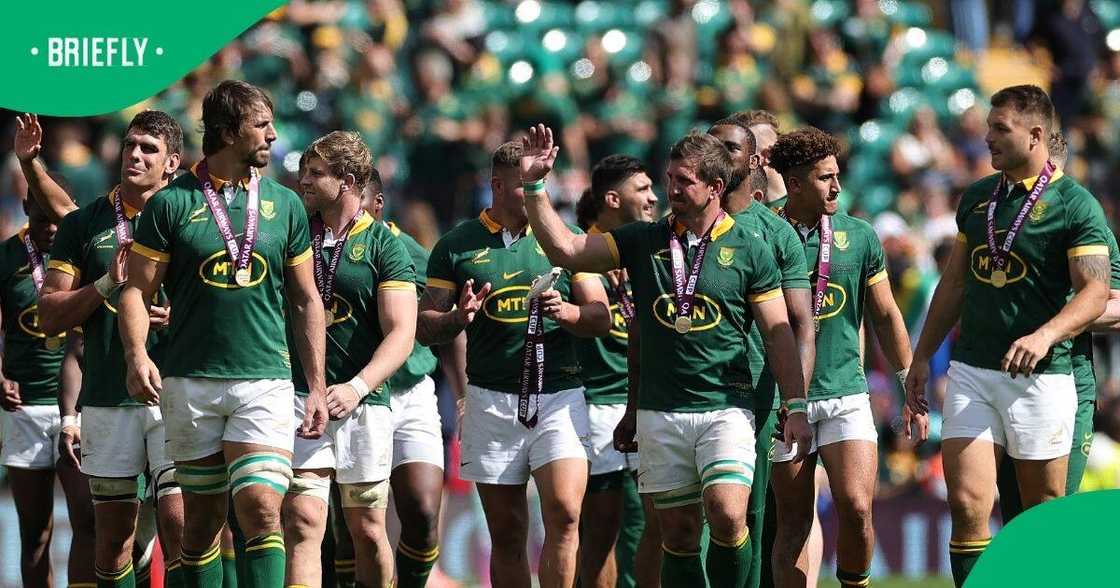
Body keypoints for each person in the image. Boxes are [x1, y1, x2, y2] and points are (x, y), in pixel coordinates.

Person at [522, 125, 812, 587]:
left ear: (715, 188)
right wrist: (535, 186)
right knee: (677, 534)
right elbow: (568, 248)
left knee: (728, 514)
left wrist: (794, 404)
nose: (671, 190)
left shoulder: (751, 249)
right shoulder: (644, 240)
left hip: (726, 407)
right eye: (670, 178)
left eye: (684, 181)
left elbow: (779, 334)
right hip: (661, 410)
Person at [119, 80, 329, 587]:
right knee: (201, 527)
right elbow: (134, 293)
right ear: (229, 131)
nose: (274, 136)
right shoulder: (171, 205)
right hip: (190, 380)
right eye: (262, 125)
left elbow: (305, 300)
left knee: (260, 508)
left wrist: (317, 384)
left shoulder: (286, 205)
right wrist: (136, 355)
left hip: (264, 378)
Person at [905, 85, 1112, 588]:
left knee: (1039, 516)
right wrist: (920, 358)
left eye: (1001, 129)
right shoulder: (977, 198)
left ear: (1036, 135)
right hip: (974, 370)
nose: (987, 138)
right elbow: (955, 282)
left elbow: (1095, 293)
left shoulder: (1076, 205)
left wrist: (1045, 335)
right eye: (988, 127)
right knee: (968, 503)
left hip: (1043, 376)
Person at [417, 139, 611, 588]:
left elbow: (600, 317)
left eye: (539, 181)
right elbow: (424, 326)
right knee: (507, 533)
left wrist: (570, 313)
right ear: (497, 186)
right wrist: (455, 319)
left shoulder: (562, 238)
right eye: (526, 183)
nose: (534, 190)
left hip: (559, 395)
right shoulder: (456, 245)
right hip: (490, 400)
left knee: (564, 512)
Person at [23, 110, 188, 588]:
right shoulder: (84, 224)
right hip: (108, 396)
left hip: (176, 393)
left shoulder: (193, 217)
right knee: (111, 537)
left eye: (149, 149)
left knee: (181, 525)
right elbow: (50, 313)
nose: (135, 155)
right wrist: (104, 285)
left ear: (171, 162)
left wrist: (181, 315)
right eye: (130, 145)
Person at [766, 127, 918, 588]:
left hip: (846, 393)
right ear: (793, 184)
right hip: (784, 400)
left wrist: (909, 379)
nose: (836, 187)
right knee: (792, 524)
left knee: (856, 507)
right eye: (823, 178)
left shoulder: (859, 236)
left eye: (837, 176)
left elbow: (887, 314)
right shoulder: (761, 232)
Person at [282, 131, 417, 588]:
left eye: (315, 173)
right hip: (301, 396)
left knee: (367, 529)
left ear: (348, 180)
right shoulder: (293, 233)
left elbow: (402, 333)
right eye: (303, 171)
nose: (303, 180)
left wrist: (357, 387)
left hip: (363, 403)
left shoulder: (384, 244)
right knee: (302, 519)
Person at [707, 117, 817, 588]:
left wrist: (796, 402)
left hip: (756, 395)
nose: (717, 154)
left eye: (729, 148)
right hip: (685, 395)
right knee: (682, 526)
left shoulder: (774, 232)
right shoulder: (675, 229)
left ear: (755, 163)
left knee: (753, 517)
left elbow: (799, 324)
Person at [995, 132, 1120, 520]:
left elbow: (1116, 306)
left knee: (1050, 511)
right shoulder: (993, 220)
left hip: (1067, 379)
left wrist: (1050, 325)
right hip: (998, 379)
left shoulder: (1087, 223)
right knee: (1011, 512)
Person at [366, 168, 462, 588]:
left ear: (378, 204)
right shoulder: (320, 250)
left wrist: (464, 395)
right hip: (353, 398)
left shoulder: (412, 253)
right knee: (356, 526)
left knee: (423, 512)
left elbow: (449, 325)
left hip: (410, 392)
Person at [571, 154, 658, 588]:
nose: (654, 198)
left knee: (647, 524)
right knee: (600, 533)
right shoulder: (580, 257)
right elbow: (599, 318)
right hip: (595, 404)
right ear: (610, 200)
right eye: (642, 190)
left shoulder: (643, 254)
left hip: (644, 402)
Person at [0, 195, 94, 587]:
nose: (51, 228)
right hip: (26, 408)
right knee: (35, 536)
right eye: (41, 219)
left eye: (56, 219)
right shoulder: (6, 257)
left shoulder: (86, 251)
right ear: (25, 208)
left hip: (79, 407)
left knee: (87, 520)